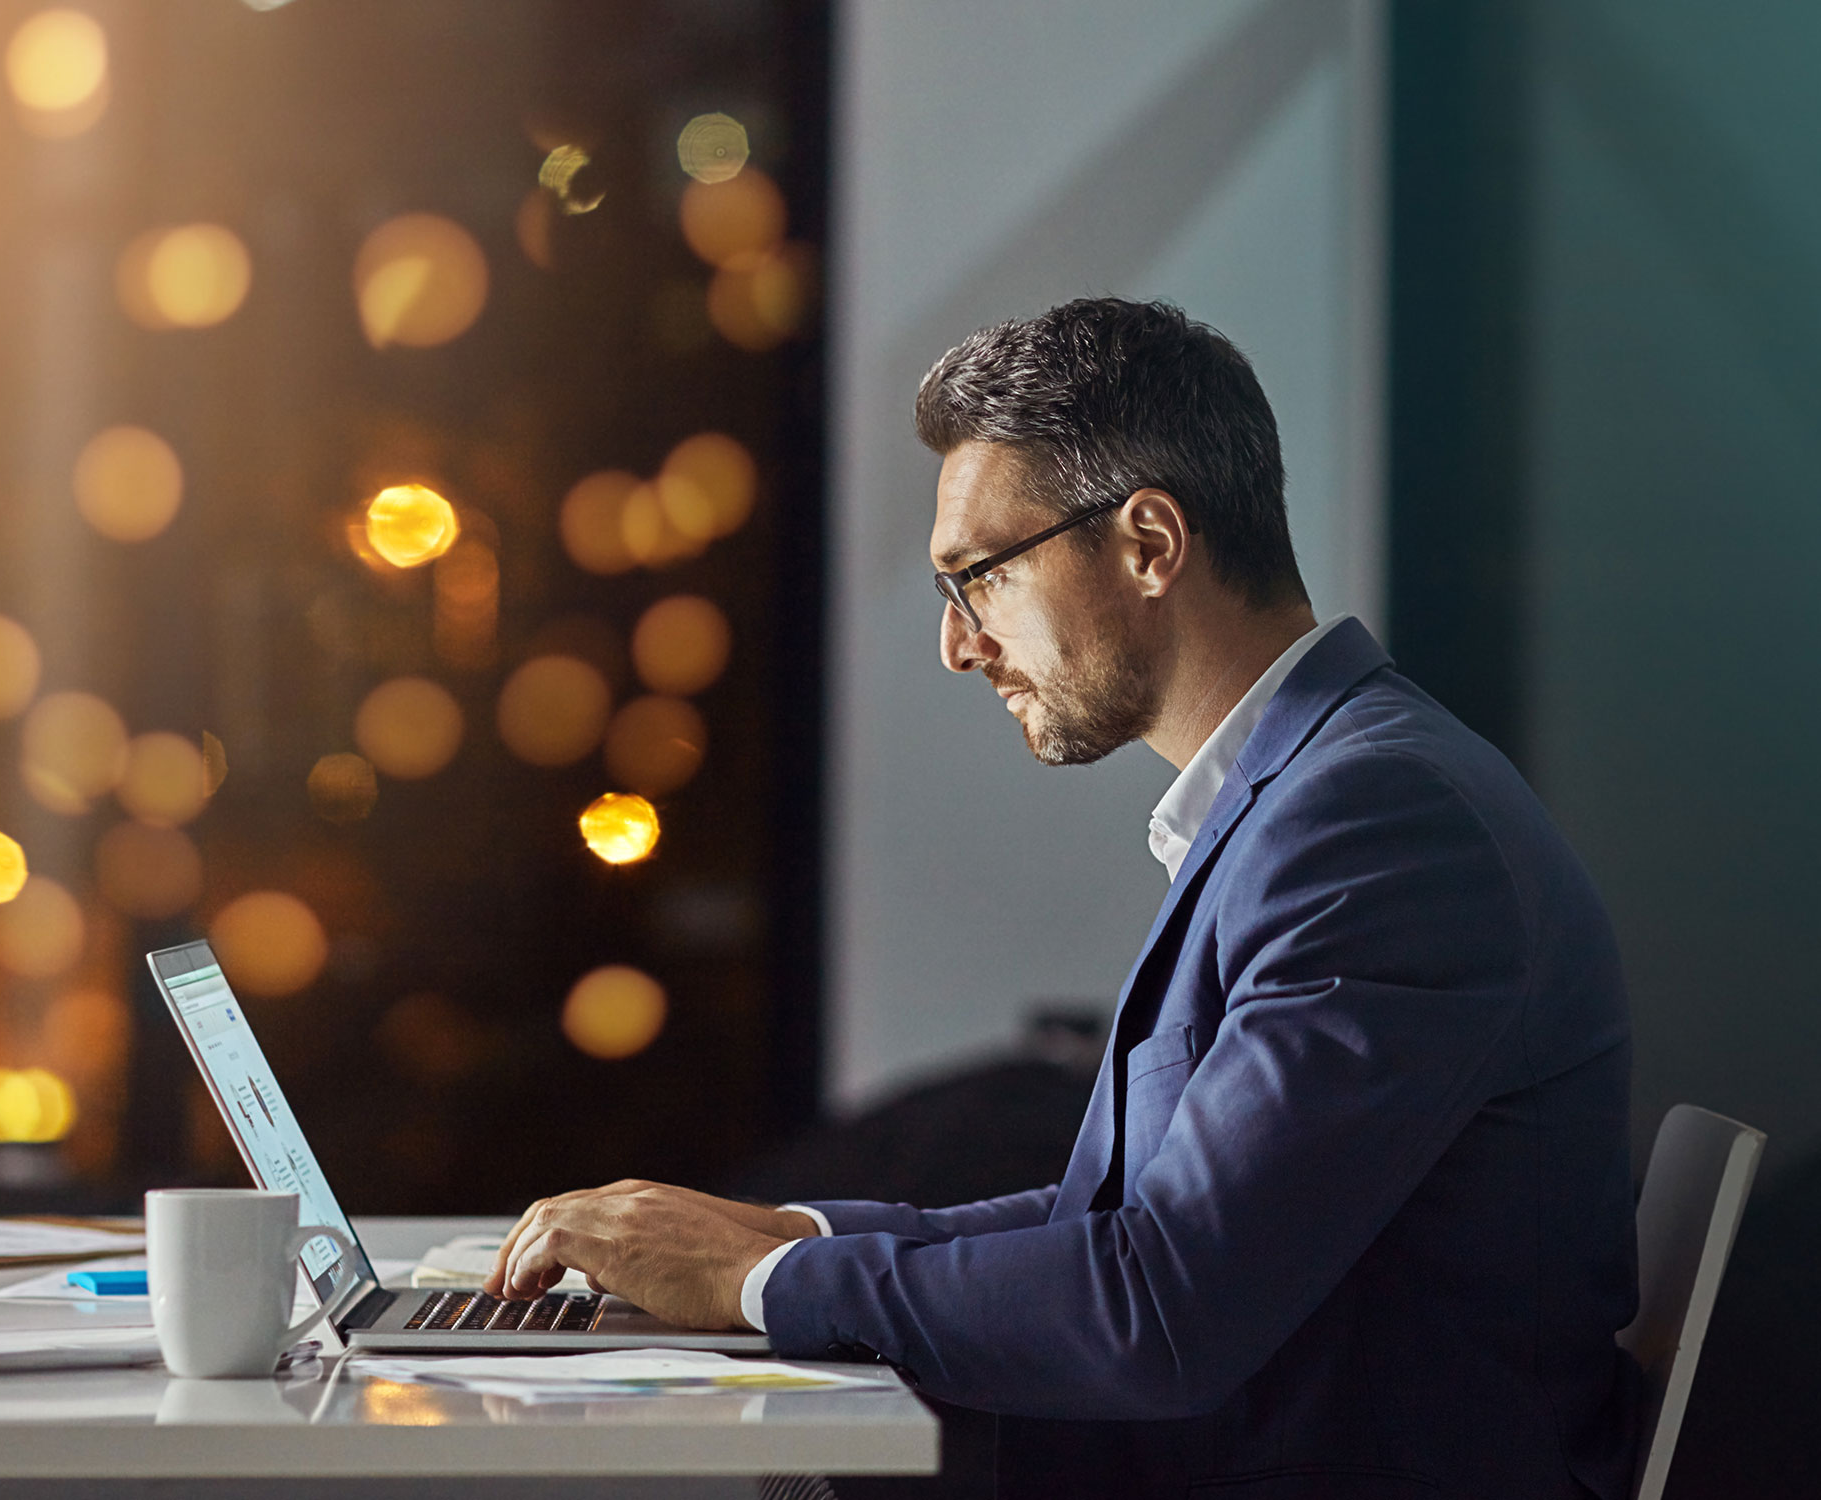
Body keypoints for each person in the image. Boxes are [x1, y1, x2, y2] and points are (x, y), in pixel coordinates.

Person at [487, 299, 1641, 1499]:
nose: (958, 645)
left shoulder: (1375, 826)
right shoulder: (1316, 794)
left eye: (978, 577)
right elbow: (1120, 1219)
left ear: (1147, 544)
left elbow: (1159, 1304)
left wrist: (748, 1289)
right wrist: (788, 1241)